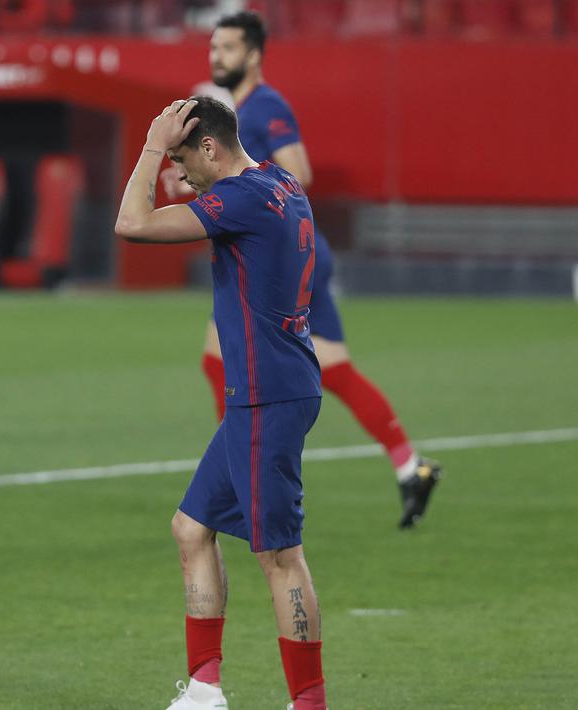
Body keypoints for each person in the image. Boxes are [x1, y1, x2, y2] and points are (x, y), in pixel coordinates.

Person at [175, 11, 440, 529]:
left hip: (277, 258)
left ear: (253, 54)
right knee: (327, 367)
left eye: (226, 48)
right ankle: (411, 466)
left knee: (226, 361)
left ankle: (238, 472)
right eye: (212, 48)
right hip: (279, 254)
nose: (216, 57)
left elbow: (299, 172)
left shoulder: (266, 106)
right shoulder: (238, 112)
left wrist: (232, 197)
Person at [116, 97, 328, 710]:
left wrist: (152, 142)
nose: (179, 174)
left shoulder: (239, 199)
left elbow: (132, 224)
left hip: (268, 394)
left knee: (280, 555)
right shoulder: (278, 184)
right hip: (268, 388)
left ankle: (308, 704)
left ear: (209, 146)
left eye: (186, 158)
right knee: (191, 528)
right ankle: (205, 690)